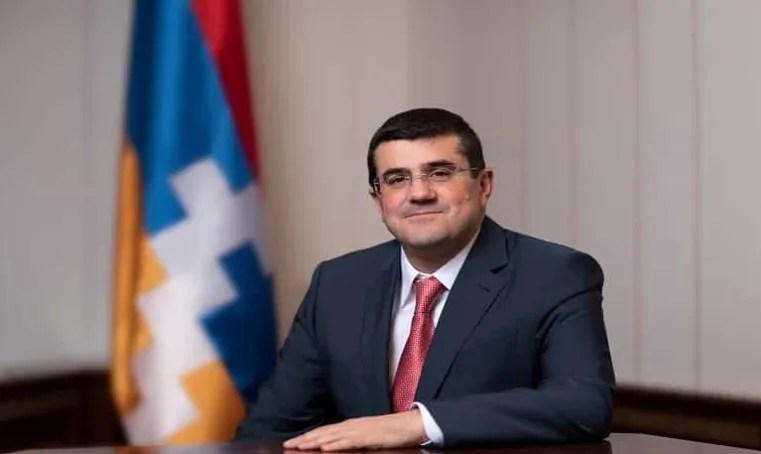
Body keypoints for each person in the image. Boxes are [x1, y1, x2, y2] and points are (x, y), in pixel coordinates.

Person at [234, 108, 615, 450]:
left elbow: (583, 405)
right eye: (397, 179)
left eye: (440, 173)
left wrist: (416, 424)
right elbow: (270, 429)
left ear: (483, 185)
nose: (419, 193)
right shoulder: (338, 284)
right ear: (378, 200)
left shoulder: (555, 275)